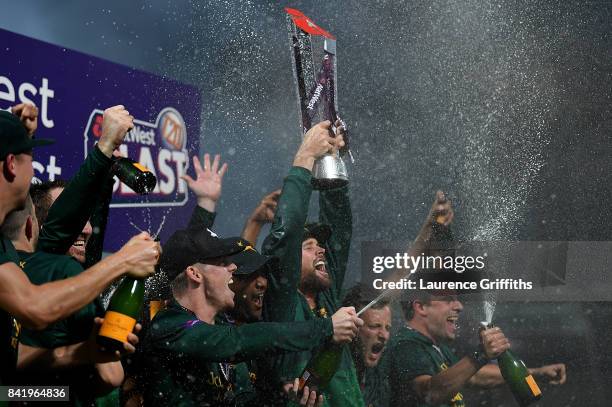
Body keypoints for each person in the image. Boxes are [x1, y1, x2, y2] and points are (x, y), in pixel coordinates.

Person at [0, 105, 160, 386]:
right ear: (12, 164)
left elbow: (11, 361)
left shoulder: (6, 251)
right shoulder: (53, 267)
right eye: (30, 157)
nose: (35, 168)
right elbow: (35, 307)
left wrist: (81, 353)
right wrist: (123, 261)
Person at [140, 226, 362, 406]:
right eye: (222, 262)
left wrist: (282, 400)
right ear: (194, 273)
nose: (233, 267)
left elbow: (238, 401)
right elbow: (235, 342)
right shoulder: (168, 324)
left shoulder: (219, 327)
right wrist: (325, 328)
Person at [260, 120, 363, 406]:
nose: (320, 251)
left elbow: (339, 229)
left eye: (320, 246)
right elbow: (285, 238)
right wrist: (305, 159)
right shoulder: (283, 303)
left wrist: (333, 165)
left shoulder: (326, 300)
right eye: (309, 246)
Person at [387, 289, 567, 407]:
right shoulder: (406, 344)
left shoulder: (435, 347)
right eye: (449, 299)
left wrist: (536, 373)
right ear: (420, 306)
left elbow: (474, 376)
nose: (459, 306)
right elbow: (430, 393)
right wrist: (481, 354)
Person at [341, 284, 391, 407]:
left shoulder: (378, 376)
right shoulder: (336, 370)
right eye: (374, 326)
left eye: (388, 328)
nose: (384, 335)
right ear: (351, 326)